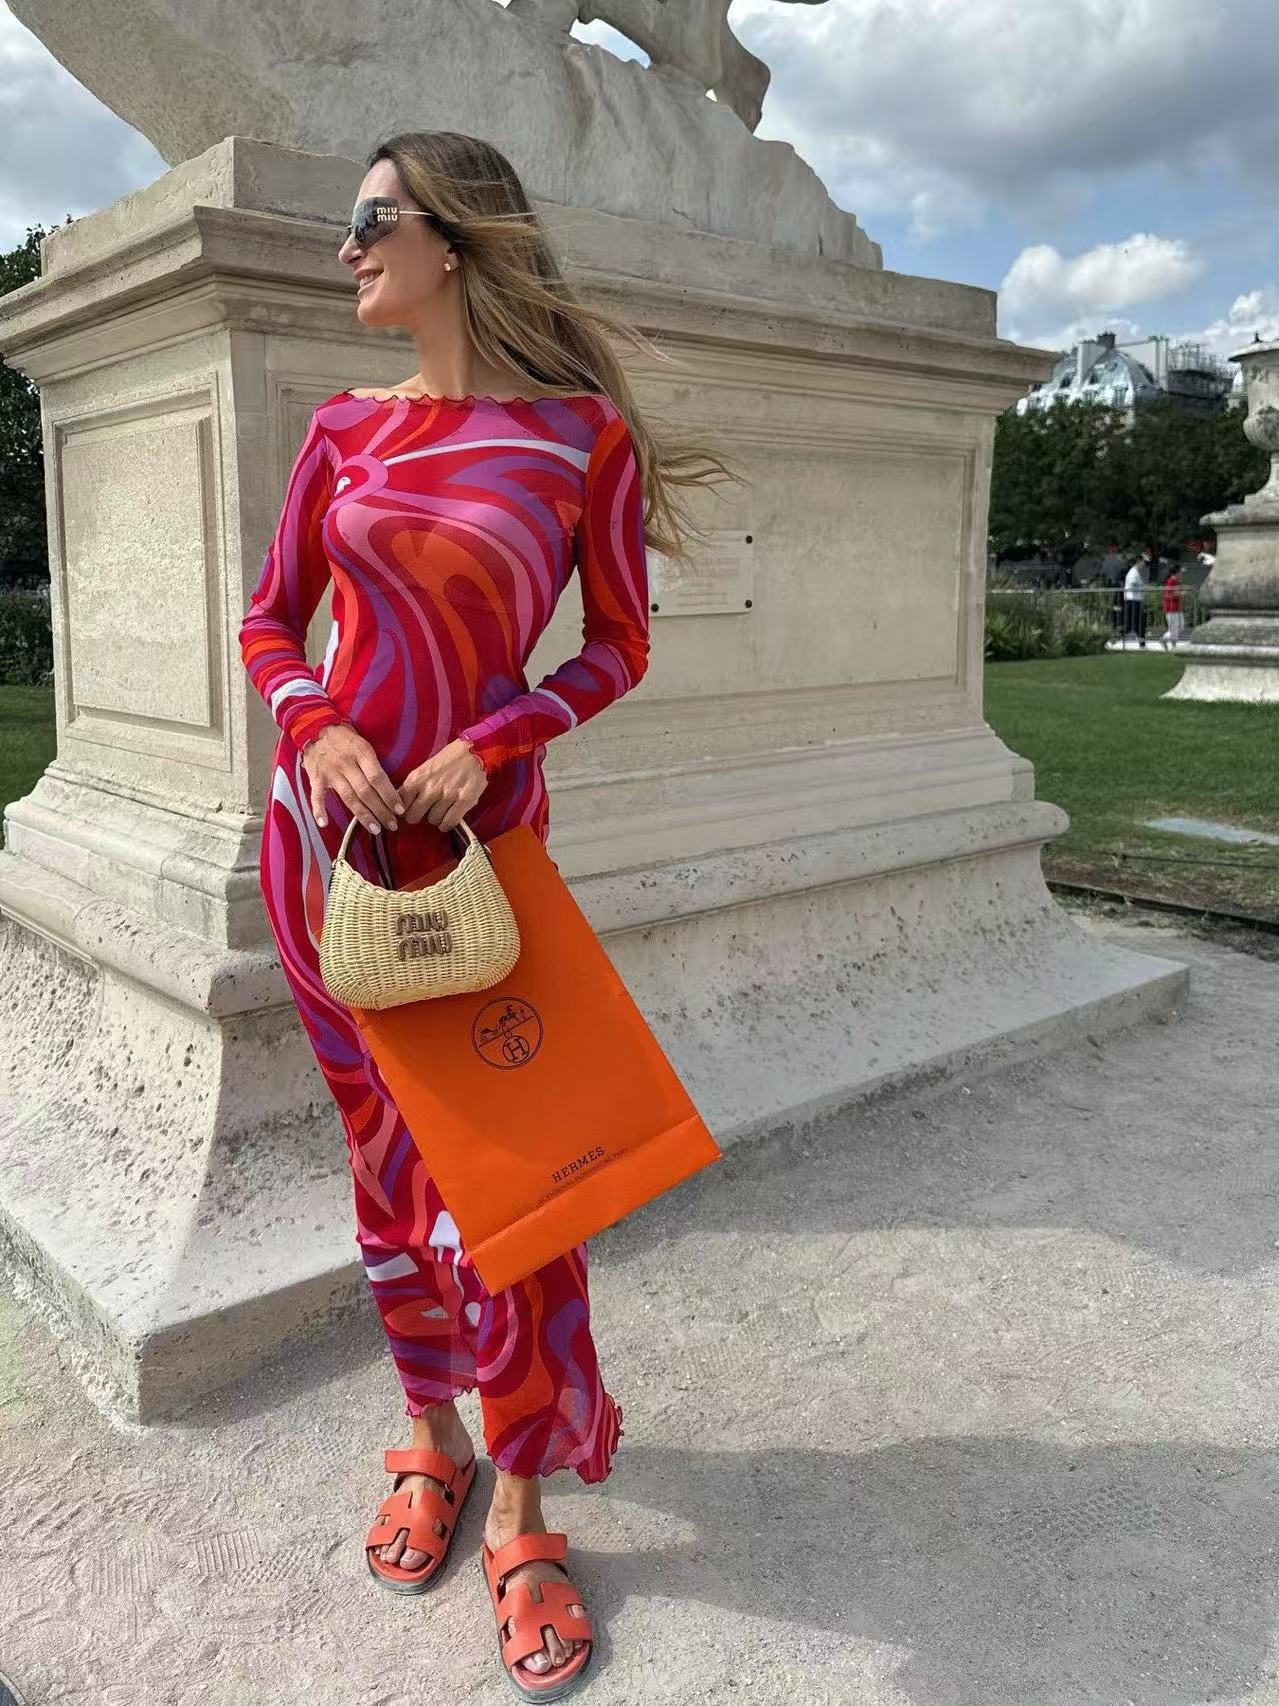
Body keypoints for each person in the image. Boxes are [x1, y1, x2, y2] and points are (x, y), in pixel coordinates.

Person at [238, 131, 731, 1698]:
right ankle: (428, 1433)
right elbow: (269, 619)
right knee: (387, 1168)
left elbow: (617, 647)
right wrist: (314, 717)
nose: (346, 247)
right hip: (327, 852)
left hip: (480, 856)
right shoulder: (341, 428)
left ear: (452, 240)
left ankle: (520, 1504)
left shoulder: (578, 438)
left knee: (511, 1186)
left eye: (371, 220)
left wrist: (497, 734)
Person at [1123, 548, 1152, 648]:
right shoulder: (1133, 572)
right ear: (1139, 561)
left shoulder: (1137, 572)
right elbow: (1131, 585)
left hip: (1136, 600)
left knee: (1139, 624)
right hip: (1132, 601)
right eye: (1144, 562)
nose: (1145, 565)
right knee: (1130, 625)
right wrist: (1142, 588)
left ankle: (1142, 644)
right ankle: (1114, 640)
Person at [1161, 565, 1186, 648]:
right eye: (1180, 572)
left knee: (1181, 627)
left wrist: (1180, 593)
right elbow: (1167, 595)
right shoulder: (1170, 582)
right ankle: (1173, 646)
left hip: (1178, 608)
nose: (1182, 574)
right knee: (1173, 629)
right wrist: (1179, 594)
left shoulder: (1178, 582)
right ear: (1176, 573)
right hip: (1171, 608)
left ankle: (1164, 639)